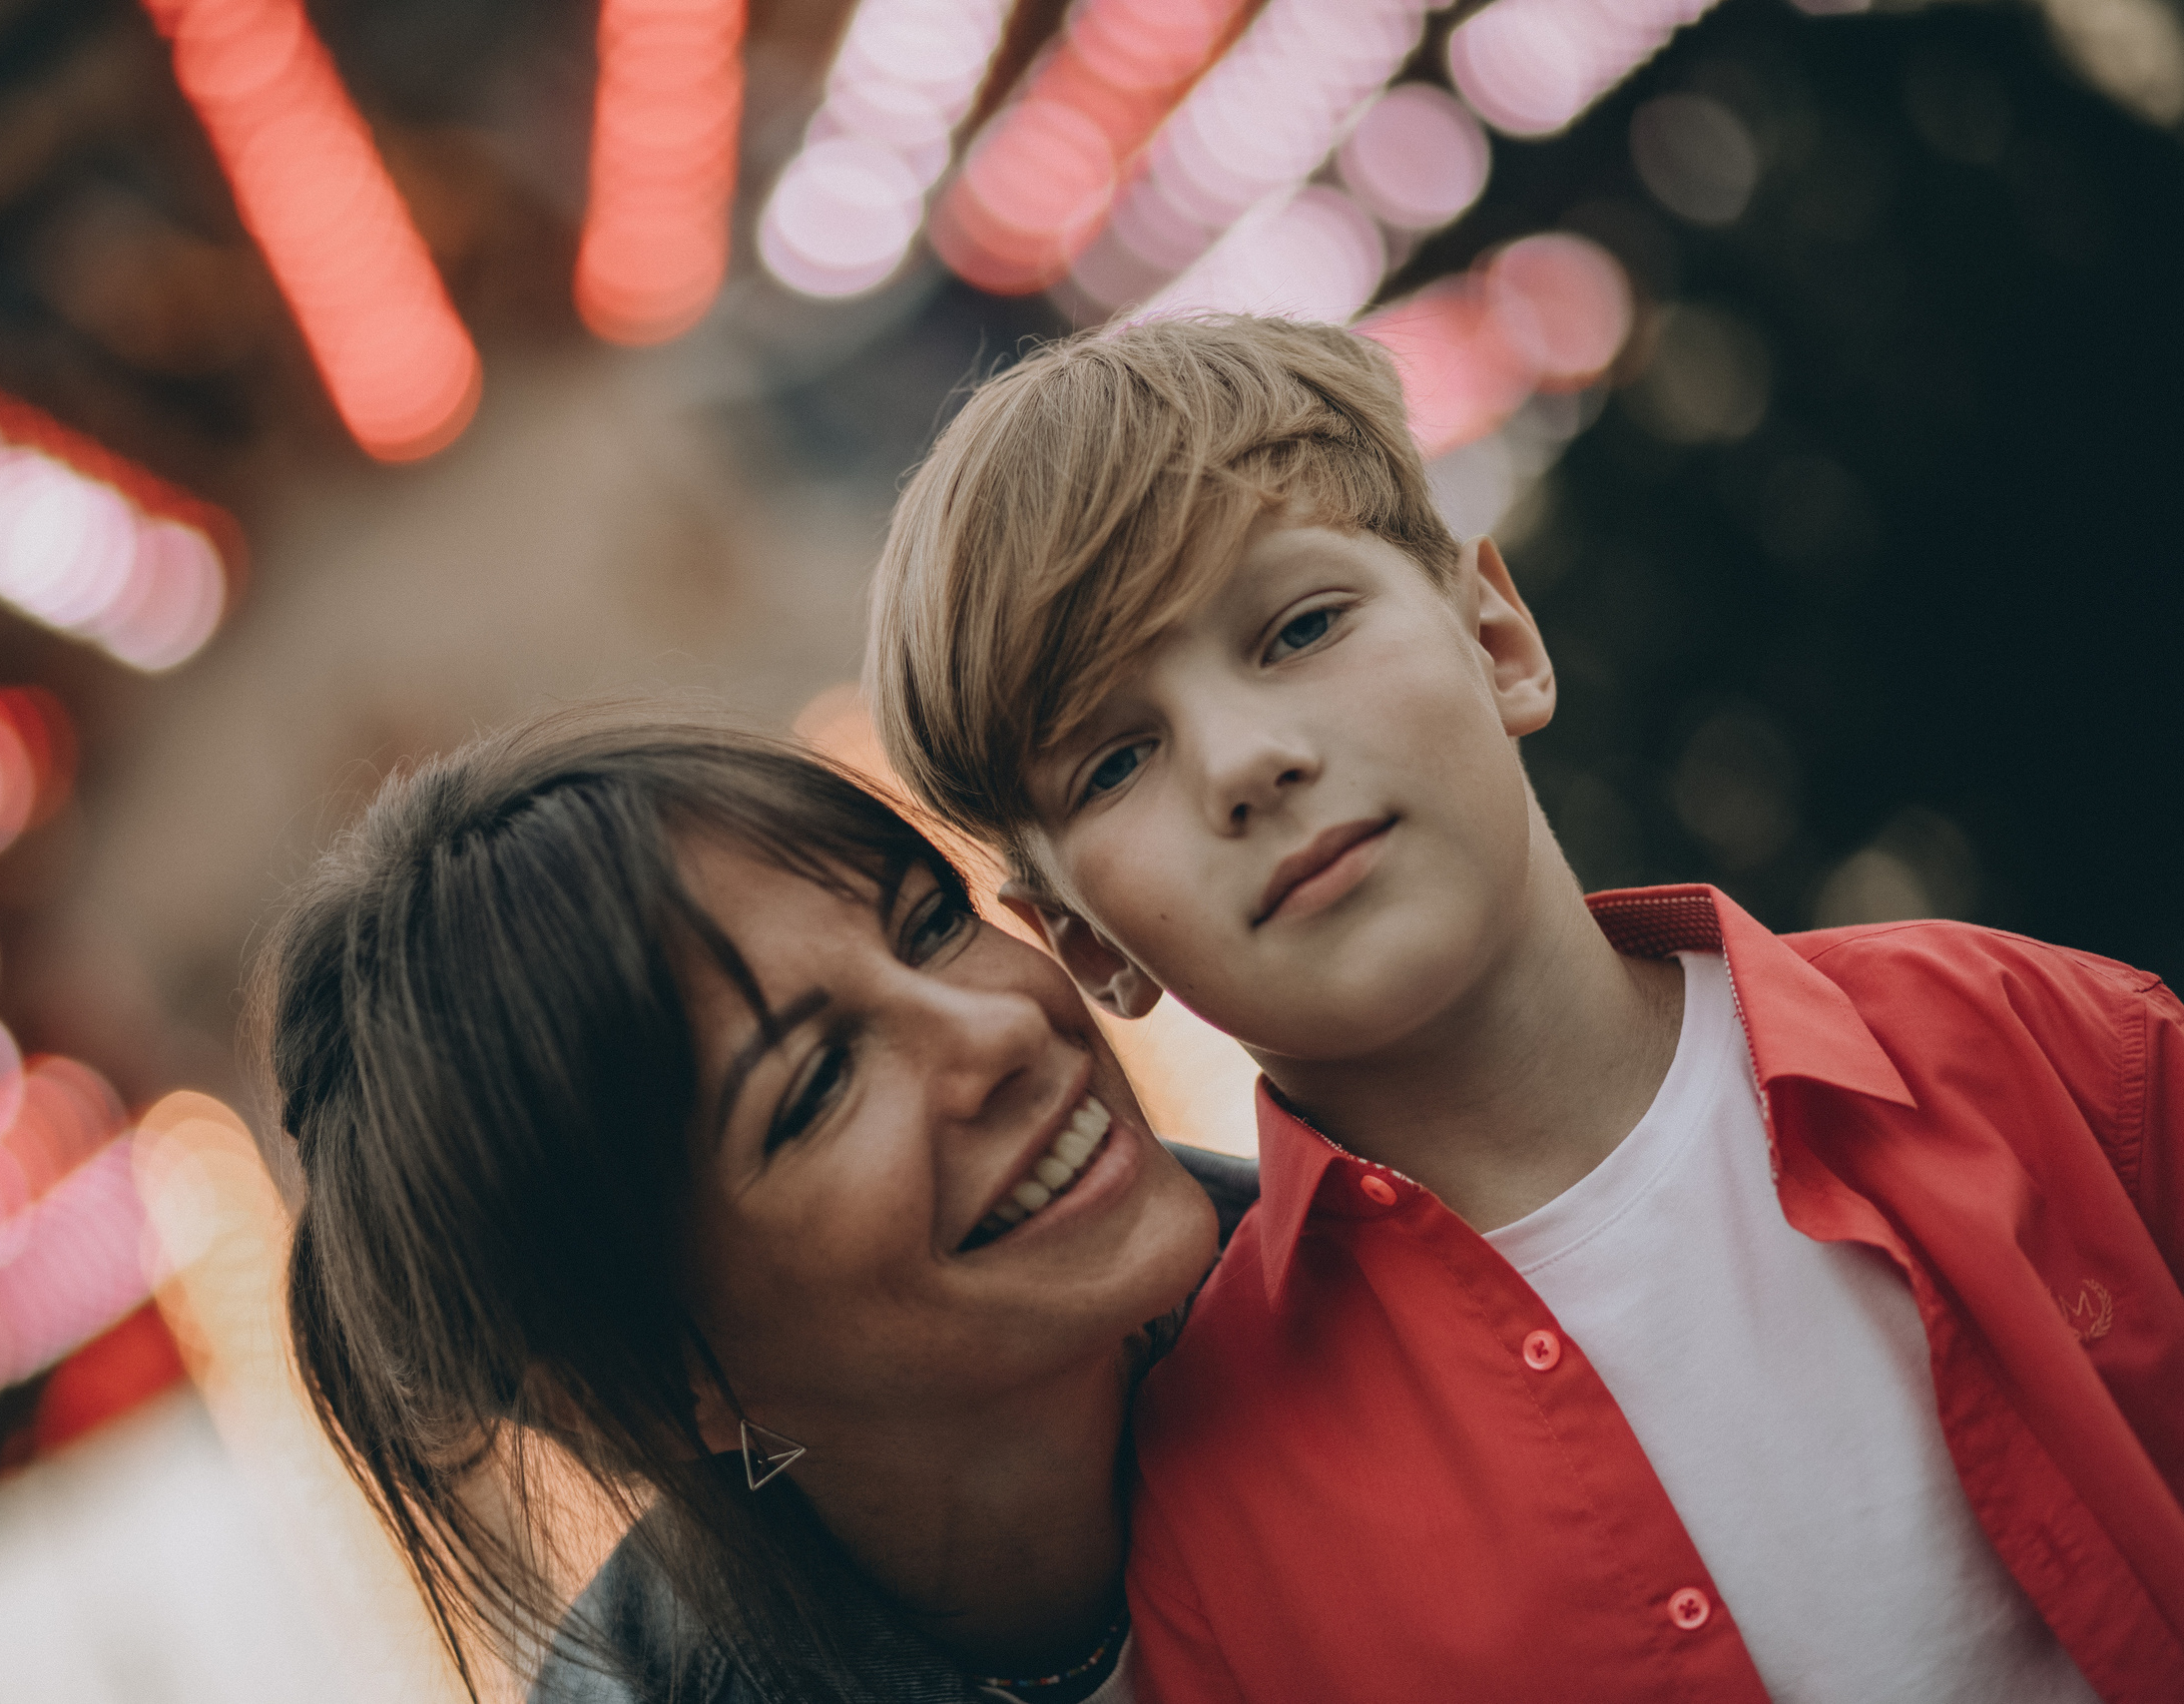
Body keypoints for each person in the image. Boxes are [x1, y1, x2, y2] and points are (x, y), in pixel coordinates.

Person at [865, 314, 2184, 1703]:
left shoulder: (2036, 1039)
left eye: (1302, 625)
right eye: (1116, 758)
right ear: (1085, 941)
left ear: (1497, 637)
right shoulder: (1205, 1533)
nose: (1248, 760)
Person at [253, 709, 1257, 1704]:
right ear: (662, 1389)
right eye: (818, 1083)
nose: (999, 1027)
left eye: (934, 927)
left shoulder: (1396, 1244)